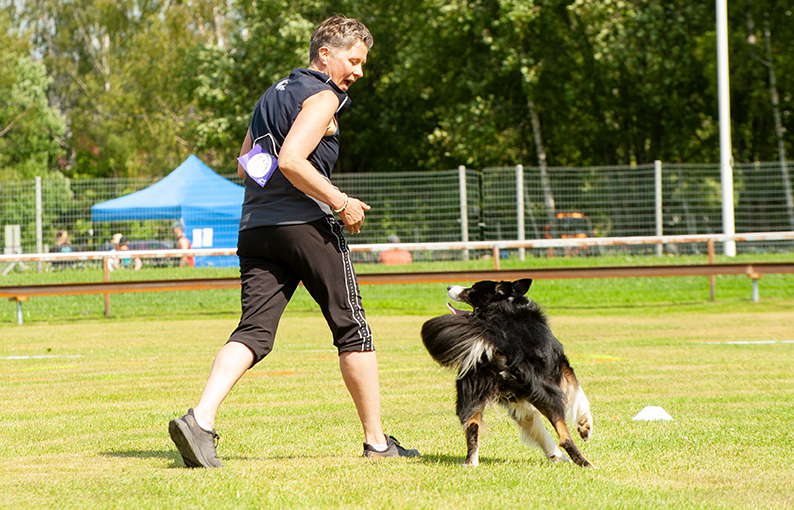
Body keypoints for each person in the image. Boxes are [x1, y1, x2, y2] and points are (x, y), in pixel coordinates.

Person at [168, 15, 419, 468]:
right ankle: (377, 442)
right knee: (352, 328)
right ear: (326, 54)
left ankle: (200, 421)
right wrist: (340, 200)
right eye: (354, 60)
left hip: (256, 228)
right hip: (307, 226)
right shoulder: (323, 95)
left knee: (253, 331)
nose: (359, 72)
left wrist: (279, 196)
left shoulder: (272, 95)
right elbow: (291, 161)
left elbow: (247, 166)